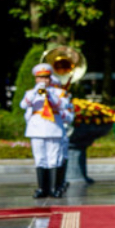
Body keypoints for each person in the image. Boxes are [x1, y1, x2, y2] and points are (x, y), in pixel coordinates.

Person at [21, 63, 72, 199]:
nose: (43, 80)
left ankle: (53, 188)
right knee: (40, 158)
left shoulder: (58, 92)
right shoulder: (30, 92)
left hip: (53, 127)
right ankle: (41, 188)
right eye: (40, 78)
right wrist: (36, 92)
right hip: (37, 129)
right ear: (36, 79)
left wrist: (49, 95)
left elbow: (63, 105)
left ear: (50, 79)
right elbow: (24, 105)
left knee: (53, 158)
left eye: (46, 77)